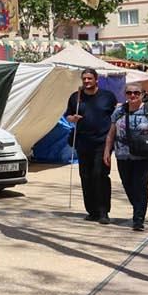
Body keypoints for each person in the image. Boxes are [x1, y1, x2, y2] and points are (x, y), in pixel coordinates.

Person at [103, 84, 148, 231]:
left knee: (140, 185)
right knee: (127, 185)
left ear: (142, 94)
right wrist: (107, 152)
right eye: (129, 93)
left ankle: (138, 218)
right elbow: (111, 134)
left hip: (144, 155)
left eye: (136, 93)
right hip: (123, 154)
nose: (132, 96)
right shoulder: (119, 111)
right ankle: (139, 207)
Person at [64, 69, 120, 224]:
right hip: (83, 142)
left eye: (89, 78)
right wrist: (72, 118)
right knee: (86, 176)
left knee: (100, 175)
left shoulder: (107, 97)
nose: (86, 81)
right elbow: (67, 115)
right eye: (84, 79)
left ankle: (103, 212)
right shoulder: (76, 97)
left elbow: (116, 116)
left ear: (96, 80)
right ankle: (92, 211)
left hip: (103, 142)